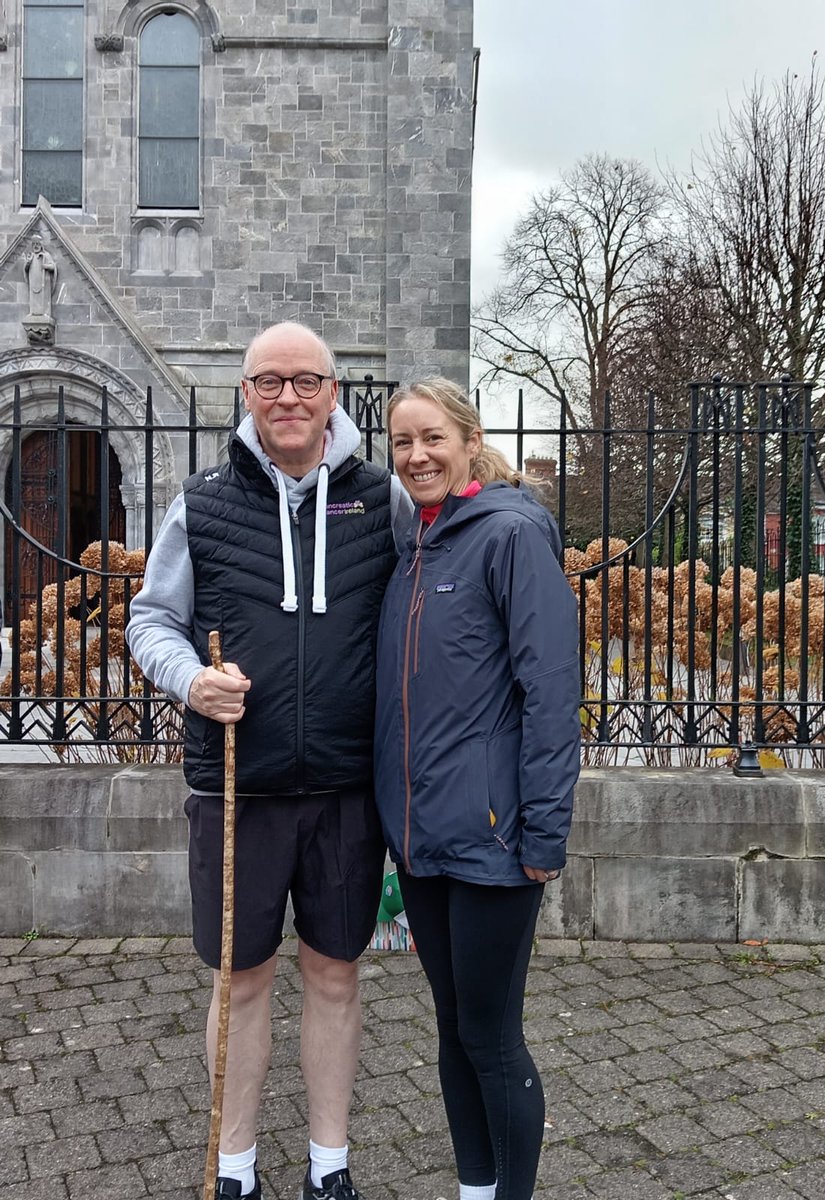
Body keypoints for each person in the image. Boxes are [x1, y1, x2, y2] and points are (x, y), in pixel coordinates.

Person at [126, 322, 413, 1200]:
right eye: (268, 382)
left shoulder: (383, 497)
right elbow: (150, 620)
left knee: (335, 973)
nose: (287, 397)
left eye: (305, 381)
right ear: (245, 394)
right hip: (234, 786)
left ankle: (330, 1164)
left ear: (334, 393)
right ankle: (236, 1165)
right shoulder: (203, 502)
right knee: (240, 979)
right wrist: (191, 681)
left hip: (345, 791)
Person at [373, 379, 582, 1200]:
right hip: (422, 840)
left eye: (431, 439)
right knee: (454, 1030)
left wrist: (544, 835)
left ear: (466, 440)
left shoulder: (510, 535)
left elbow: (551, 692)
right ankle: (474, 1188)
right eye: (400, 443)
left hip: (496, 838)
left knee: (492, 1036)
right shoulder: (418, 543)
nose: (416, 456)